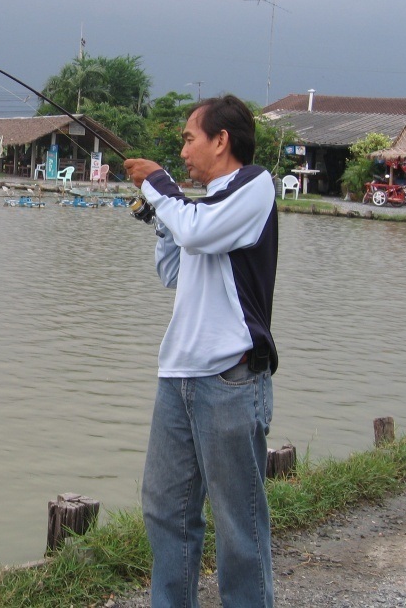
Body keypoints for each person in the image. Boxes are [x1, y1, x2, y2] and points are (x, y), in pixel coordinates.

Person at [123, 95, 279, 608]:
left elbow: (197, 230)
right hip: (178, 378)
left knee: (239, 524)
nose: (184, 150)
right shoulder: (201, 207)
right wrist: (163, 218)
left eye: (190, 139)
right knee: (166, 510)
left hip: (231, 381)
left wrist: (159, 184)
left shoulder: (254, 186)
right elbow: (174, 267)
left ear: (221, 140)